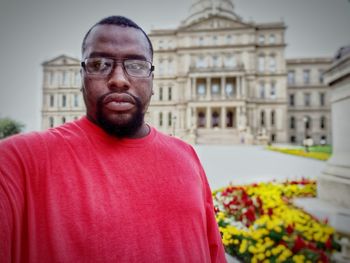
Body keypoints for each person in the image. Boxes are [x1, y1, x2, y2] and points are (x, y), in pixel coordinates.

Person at [0, 16, 226, 262]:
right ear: (82, 77)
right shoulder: (17, 161)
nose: (119, 79)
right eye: (100, 64)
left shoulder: (187, 156)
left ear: (153, 81)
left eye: (137, 65)